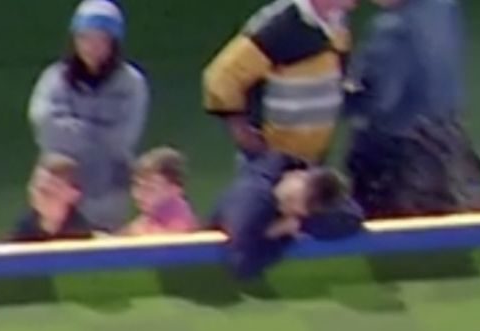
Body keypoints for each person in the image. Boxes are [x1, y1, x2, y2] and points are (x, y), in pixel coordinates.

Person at [345, 0, 480, 217]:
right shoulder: (444, 8)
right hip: (449, 146)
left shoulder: (393, 29)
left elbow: (378, 100)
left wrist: (340, 96)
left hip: (399, 163)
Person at [28, 1, 150, 230]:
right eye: (84, 38)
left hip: (107, 195)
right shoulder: (54, 78)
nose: (91, 47)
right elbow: (45, 125)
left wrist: (74, 129)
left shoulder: (132, 83)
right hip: (57, 193)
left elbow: (123, 138)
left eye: (100, 39)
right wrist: (95, 133)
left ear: (113, 43)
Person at [203, 0, 355, 164]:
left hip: (312, 159)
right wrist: (243, 133)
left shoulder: (338, 22)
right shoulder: (279, 25)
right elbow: (222, 77)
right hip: (271, 161)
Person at [215, 151, 363, 278]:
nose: (296, 208)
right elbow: (240, 265)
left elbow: (353, 218)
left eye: (304, 209)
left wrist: (296, 224)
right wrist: (277, 236)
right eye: (293, 199)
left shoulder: (298, 169)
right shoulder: (253, 201)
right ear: (297, 176)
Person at [8, 153, 96, 241]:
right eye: (35, 187)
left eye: (47, 192)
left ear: (73, 194)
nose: (36, 195)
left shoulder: (84, 237)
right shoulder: (21, 230)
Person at [121, 147, 202, 234]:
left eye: (150, 188)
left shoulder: (178, 226)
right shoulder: (149, 216)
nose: (138, 195)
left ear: (175, 189)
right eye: (137, 186)